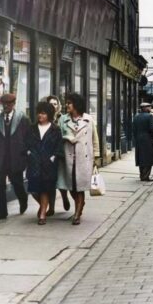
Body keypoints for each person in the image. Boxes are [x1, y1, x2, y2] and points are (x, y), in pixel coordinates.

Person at [57, 93, 100, 225]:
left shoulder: (88, 119)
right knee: (71, 186)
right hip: (68, 158)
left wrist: (96, 157)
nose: (67, 105)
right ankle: (79, 204)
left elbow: (95, 139)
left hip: (84, 158)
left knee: (80, 187)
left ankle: (77, 213)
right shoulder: (63, 119)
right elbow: (57, 136)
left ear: (76, 104)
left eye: (69, 103)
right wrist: (66, 138)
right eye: (67, 103)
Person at [0, 93, 29, 220]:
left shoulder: (22, 119)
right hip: (0, 158)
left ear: (13, 104)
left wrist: (26, 155)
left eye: (8, 104)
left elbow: (28, 139)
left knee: (17, 184)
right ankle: (1, 212)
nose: (6, 106)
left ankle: (23, 200)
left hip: (16, 158)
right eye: (3, 104)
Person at [25, 102, 63, 225]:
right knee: (33, 190)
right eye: (39, 113)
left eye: (43, 113)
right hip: (34, 163)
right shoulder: (32, 128)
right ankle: (44, 205)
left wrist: (53, 158)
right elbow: (26, 144)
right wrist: (29, 153)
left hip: (48, 165)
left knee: (45, 189)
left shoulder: (55, 129)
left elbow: (59, 147)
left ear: (49, 115)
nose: (40, 115)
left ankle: (42, 215)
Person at [46, 96, 70, 215]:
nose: (53, 106)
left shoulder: (63, 119)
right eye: (51, 104)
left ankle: (65, 197)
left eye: (55, 104)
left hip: (59, 154)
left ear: (59, 106)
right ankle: (51, 207)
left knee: (60, 180)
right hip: (48, 154)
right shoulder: (45, 118)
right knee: (50, 183)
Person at [132, 103, 153, 181]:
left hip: (139, 140)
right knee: (148, 158)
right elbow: (152, 129)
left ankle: (142, 175)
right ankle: (145, 176)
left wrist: (136, 138)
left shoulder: (136, 117)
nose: (150, 108)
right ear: (145, 108)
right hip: (148, 140)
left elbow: (133, 130)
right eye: (149, 107)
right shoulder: (150, 116)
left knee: (141, 158)